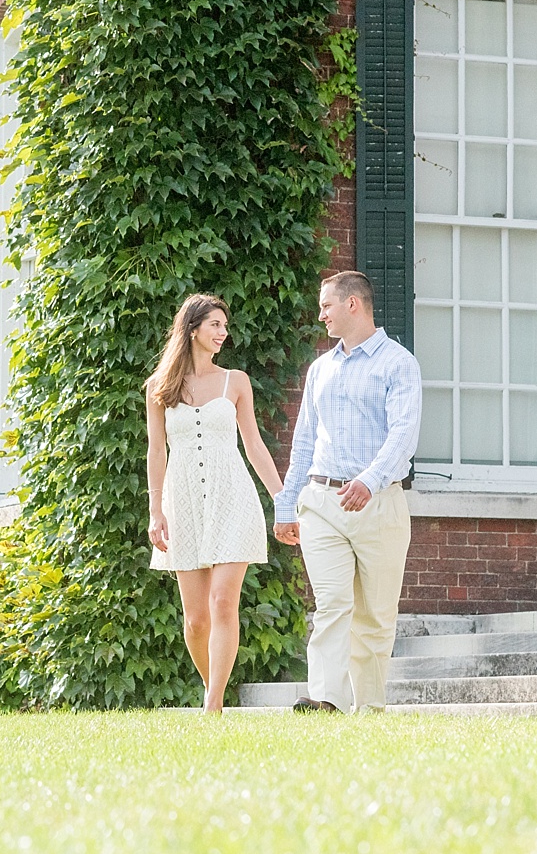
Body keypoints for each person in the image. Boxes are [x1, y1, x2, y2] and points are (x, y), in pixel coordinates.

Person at [273, 270, 421, 714]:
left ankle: (369, 709)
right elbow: (303, 444)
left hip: (380, 502)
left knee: (374, 617)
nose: (320, 315)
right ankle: (325, 701)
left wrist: (369, 481)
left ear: (352, 304)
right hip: (322, 502)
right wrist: (286, 506)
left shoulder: (398, 364)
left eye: (326, 306)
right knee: (332, 604)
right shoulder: (320, 369)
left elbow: (403, 435)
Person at [145, 293, 285, 714]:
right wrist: (156, 511)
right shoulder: (159, 387)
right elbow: (156, 452)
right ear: (192, 329)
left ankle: (213, 707)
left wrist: (283, 500)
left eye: (225, 326)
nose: (224, 333)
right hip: (182, 501)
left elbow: (254, 445)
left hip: (232, 497)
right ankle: (214, 692)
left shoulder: (235, 381)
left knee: (223, 601)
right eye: (216, 326)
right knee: (195, 620)